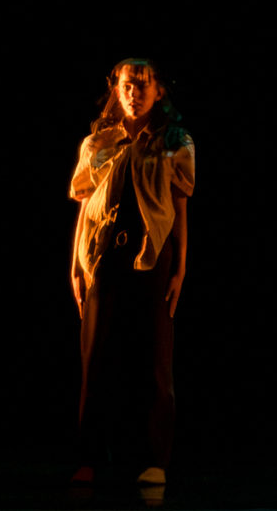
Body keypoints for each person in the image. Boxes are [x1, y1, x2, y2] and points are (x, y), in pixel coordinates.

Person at [68, 57, 195, 488]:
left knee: (154, 361)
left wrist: (179, 267)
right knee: (96, 359)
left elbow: (180, 207)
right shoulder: (96, 143)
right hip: (102, 258)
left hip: (152, 257)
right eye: (127, 84)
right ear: (116, 89)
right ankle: (88, 455)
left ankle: (154, 457)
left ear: (159, 91)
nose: (134, 92)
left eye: (143, 84)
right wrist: (75, 265)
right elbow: (85, 204)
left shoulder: (175, 140)